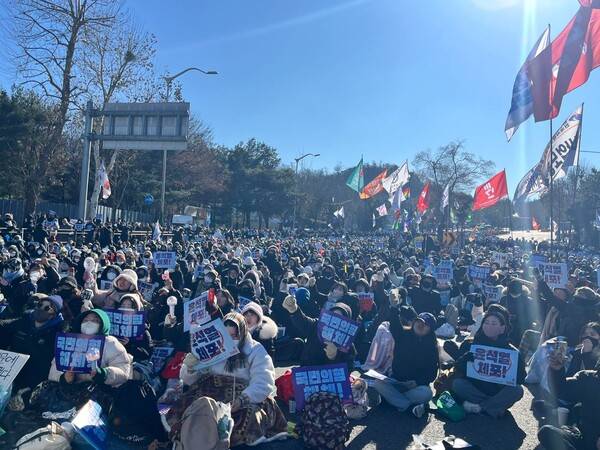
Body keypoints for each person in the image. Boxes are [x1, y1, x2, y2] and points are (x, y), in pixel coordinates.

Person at [173, 312, 287, 446]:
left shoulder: (255, 350)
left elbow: (264, 380)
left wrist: (242, 400)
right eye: (227, 336)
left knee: (247, 419)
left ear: (243, 332)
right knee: (190, 412)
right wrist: (190, 367)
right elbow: (189, 379)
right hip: (210, 393)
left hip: (243, 397)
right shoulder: (213, 347)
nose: (231, 340)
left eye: (235, 336)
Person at [450, 304, 525, 418]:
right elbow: (459, 369)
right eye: (486, 323)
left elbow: (520, 379)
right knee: (457, 384)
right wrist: (466, 359)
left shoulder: (512, 351)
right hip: (476, 389)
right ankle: (493, 407)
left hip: (498, 391)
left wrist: (516, 369)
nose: (489, 326)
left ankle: (480, 407)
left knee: (517, 390)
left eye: (494, 324)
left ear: (502, 328)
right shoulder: (471, 344)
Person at [369, 310, 439, 418]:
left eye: (425, 325)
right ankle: (406, 405)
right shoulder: (402, 335)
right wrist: (394, 307)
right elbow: (395, 324)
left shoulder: (432, 347)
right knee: (378, 383)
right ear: (414, 322)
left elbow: (432, 373)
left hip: (415, 386)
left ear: (430, 330)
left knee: (427, 393)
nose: (421, 325)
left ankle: (394, 400)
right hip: (396, 381)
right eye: (419, 322)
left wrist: (417, 382)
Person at [1, 294, 66, 410]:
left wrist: (31, 388)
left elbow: (49, 366)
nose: (41, 309)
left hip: (34, 381)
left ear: (54, 314)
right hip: (10, 374)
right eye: (40, 305)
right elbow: (5, 326)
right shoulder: (24, 321)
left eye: (47, 308)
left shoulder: (58, 334)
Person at [538, 353, 600, 450]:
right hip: (582, 437)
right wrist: (556, 370)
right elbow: (562, 391)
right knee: (547, 432)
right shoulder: (588, 377)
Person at [282, 294, 356, 369]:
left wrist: (334, 357)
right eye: (333, 316)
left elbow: (348, 369)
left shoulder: (348, 344)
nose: (334, 323)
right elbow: (304, 322)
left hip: (329, 379)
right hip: (307, 372)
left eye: (340, 319)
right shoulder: (317, 325)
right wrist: (293, 310)